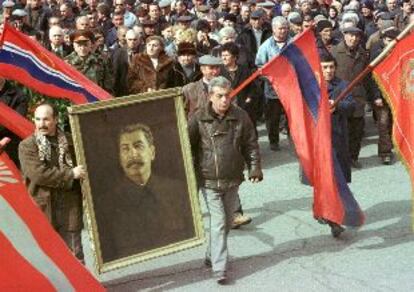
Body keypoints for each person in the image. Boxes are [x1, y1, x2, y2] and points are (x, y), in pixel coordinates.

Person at [188, 76, 263, 284]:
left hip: (233, 179)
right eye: (219, 96)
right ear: (210, 96)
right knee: (219, 222)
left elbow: (251, 143)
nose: (224, 100)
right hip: (208, 179)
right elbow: (188, 147)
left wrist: (255, 167)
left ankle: (211, 254)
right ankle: (220, 268)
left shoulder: (241, 116)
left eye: (227, 96)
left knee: (228, 221)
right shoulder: (198, 117)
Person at [98, 123, 194, 262]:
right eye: (125, 149)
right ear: (119, 157)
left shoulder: (179, 191)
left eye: (138, 146)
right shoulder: (106, 205)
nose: (133, 154)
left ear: (152, 152)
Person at [18, 103, 86, 260]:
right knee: (47, 259)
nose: (41, 124)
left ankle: (79, 285)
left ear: (56, 119)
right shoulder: (27, 146)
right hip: (42, 208)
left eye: (46, 119)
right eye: (38, 119)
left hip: (69, 206)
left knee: (75, 255)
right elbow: (39, 175)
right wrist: (70, 175)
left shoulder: (73, 141)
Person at [318, 54, 356, 238]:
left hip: (337, 139)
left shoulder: (341, 85)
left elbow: (351, 106)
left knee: (337, 179)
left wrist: (337, 105)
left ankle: (332, 216)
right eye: (324, 67)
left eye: (331, 67)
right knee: (325, 180)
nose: (328, 71)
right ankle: (329, 215)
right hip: (318, 141)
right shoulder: (312, 87)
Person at [332, 26, 370, 168]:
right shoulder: (335, 51)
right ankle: (341, 159)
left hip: (358, 97)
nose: (353, 39)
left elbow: (367, 76)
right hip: (341, 96)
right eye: (350, 35)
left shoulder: (362, 53)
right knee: (341, 131)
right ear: (344, 35)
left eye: (356, 36)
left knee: (357, 131)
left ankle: (354, 157)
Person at [256, 16, 291, 151]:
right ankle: (274, 141)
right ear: (273, 29)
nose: (283, 31)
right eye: (280, 28)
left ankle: (292, 138)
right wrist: (271, 77)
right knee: (273, 117)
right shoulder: (265, 46)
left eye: (285, 28)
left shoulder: (293, 43)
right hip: (272, 90)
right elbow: (259, 66)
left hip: (290, 89)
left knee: (290, 116)